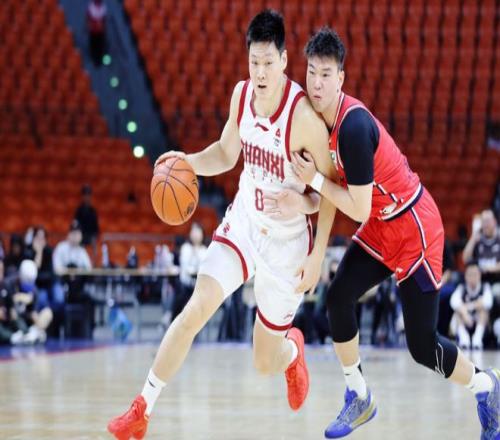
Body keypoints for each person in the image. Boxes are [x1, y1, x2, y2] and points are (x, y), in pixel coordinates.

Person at [107, 10, 336, 439]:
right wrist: (186, 162)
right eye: (254, 62)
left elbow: (330, 190)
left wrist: (317, 251)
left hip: (287, 243)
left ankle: (292, 353)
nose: (260, 73)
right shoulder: (242, 95)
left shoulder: (303, 117)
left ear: (284, 60)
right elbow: (228, 154)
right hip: (245, 221)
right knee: (195, 309)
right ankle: (141, 410)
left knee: (263, 361)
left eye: (268, 63)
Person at [266, 27, 499, 439]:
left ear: (341, 78)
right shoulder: (315, 123)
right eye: (311, 72)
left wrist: (315, 182)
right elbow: (332, 196)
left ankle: (487, 386)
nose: (316, 83)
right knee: (337, 298)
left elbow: (353, 206)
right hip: (381, 223)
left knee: (422, 346)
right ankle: (359, 395)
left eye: (326, 74)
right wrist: (303, 206)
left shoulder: (353, 127)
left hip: (414, 227)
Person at [450, 261, 493, 350]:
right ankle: (464, 339)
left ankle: (477, 339)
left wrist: (468, 306)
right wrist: (464, 312)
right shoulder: (462, 288)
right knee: (458, 312)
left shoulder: (485, 287)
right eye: (470, 274)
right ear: (465, 276)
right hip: (465, 321)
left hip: (480, 324)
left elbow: (488, 302)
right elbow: (453, 302)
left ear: (479, 275)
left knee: (484, 311)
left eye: (475, 274)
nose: (472, 277)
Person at [172, 222, 207, 322]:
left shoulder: (204, 250)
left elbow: (203, 268)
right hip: (185, 286)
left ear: (202, 234)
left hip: (198, 288)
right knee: (181, 297)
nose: (195, 234)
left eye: (198, 231)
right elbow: (185, 267)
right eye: (193, 231)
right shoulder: (185, 248)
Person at [87, 0, 107, 66]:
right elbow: (89, 19)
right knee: (94, 44)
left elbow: (104, 19)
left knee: (100, 45)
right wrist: (92, 26)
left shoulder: (103, 8)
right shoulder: (91, 7)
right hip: (93, 30)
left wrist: (102, 26)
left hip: (100, 30)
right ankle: (94, 58)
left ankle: (99, 59)